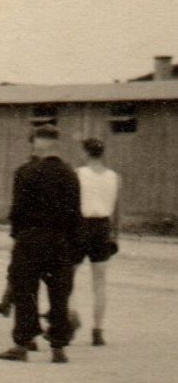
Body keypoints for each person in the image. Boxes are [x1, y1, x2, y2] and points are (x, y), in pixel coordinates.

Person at [0, 125, 81, 364]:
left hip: (30, 239)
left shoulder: (26, 172)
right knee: (59, 295)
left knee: (25, 292)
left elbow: (17, 211)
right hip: (60, 241)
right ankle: (58, 347)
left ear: (36, 143)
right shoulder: (70, 174)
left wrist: (18, 238)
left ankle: (22, 344)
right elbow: (76, 215)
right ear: (56, 144)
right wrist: (72, 248)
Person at [76, 138, 119, 346]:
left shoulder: (79, 174)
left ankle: (69, 318)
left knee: (68, 277)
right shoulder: (113, 177)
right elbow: (116, 209)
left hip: (81, 225)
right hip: (103, 227)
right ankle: (98, 329)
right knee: (100, 283)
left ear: (85, 153)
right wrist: (114, 235)